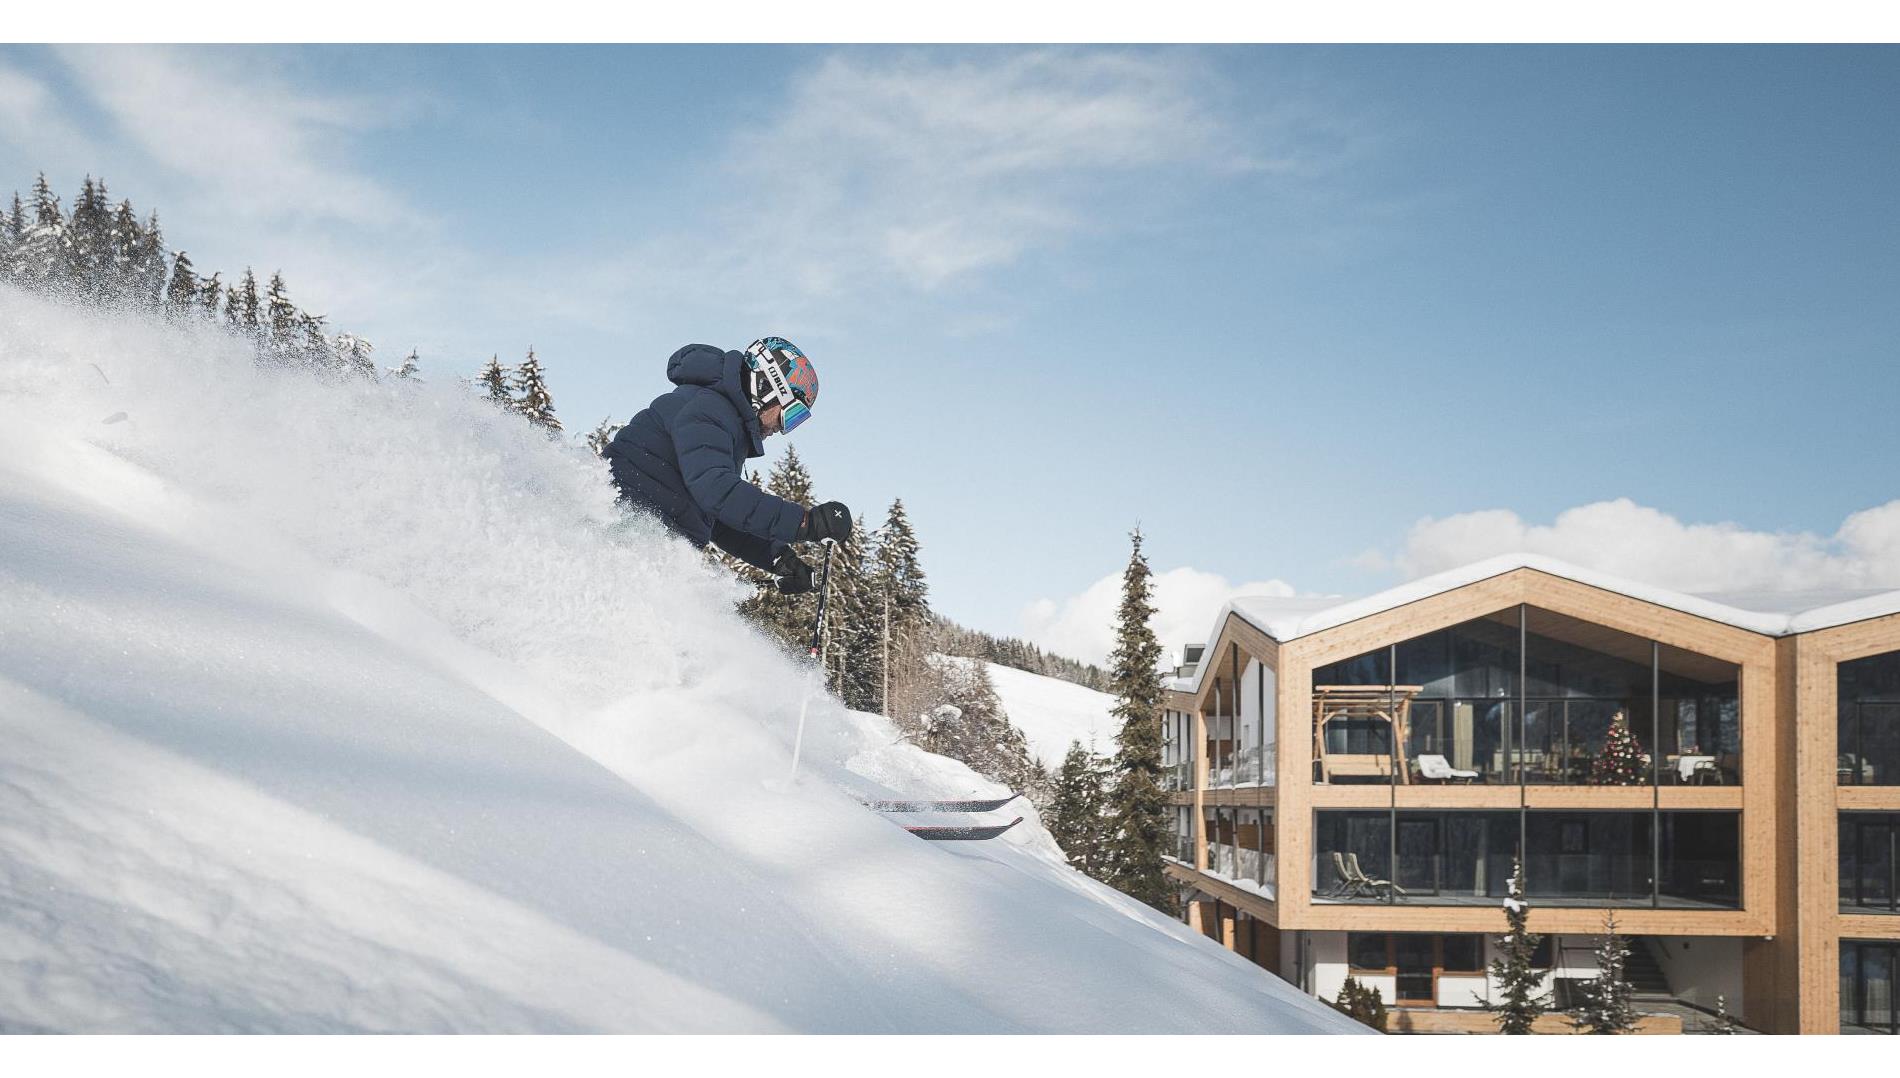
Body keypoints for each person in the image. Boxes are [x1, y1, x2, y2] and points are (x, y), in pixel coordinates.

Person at [602, 336, 852, 594]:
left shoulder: (723, 421)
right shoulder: (709, 409)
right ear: (766, 387)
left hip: (637, 541)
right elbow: (717, 492)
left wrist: (779, 559)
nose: (782, 428)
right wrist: (805, 523)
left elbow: (717, 515)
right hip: (618, 532)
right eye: (790, 414)